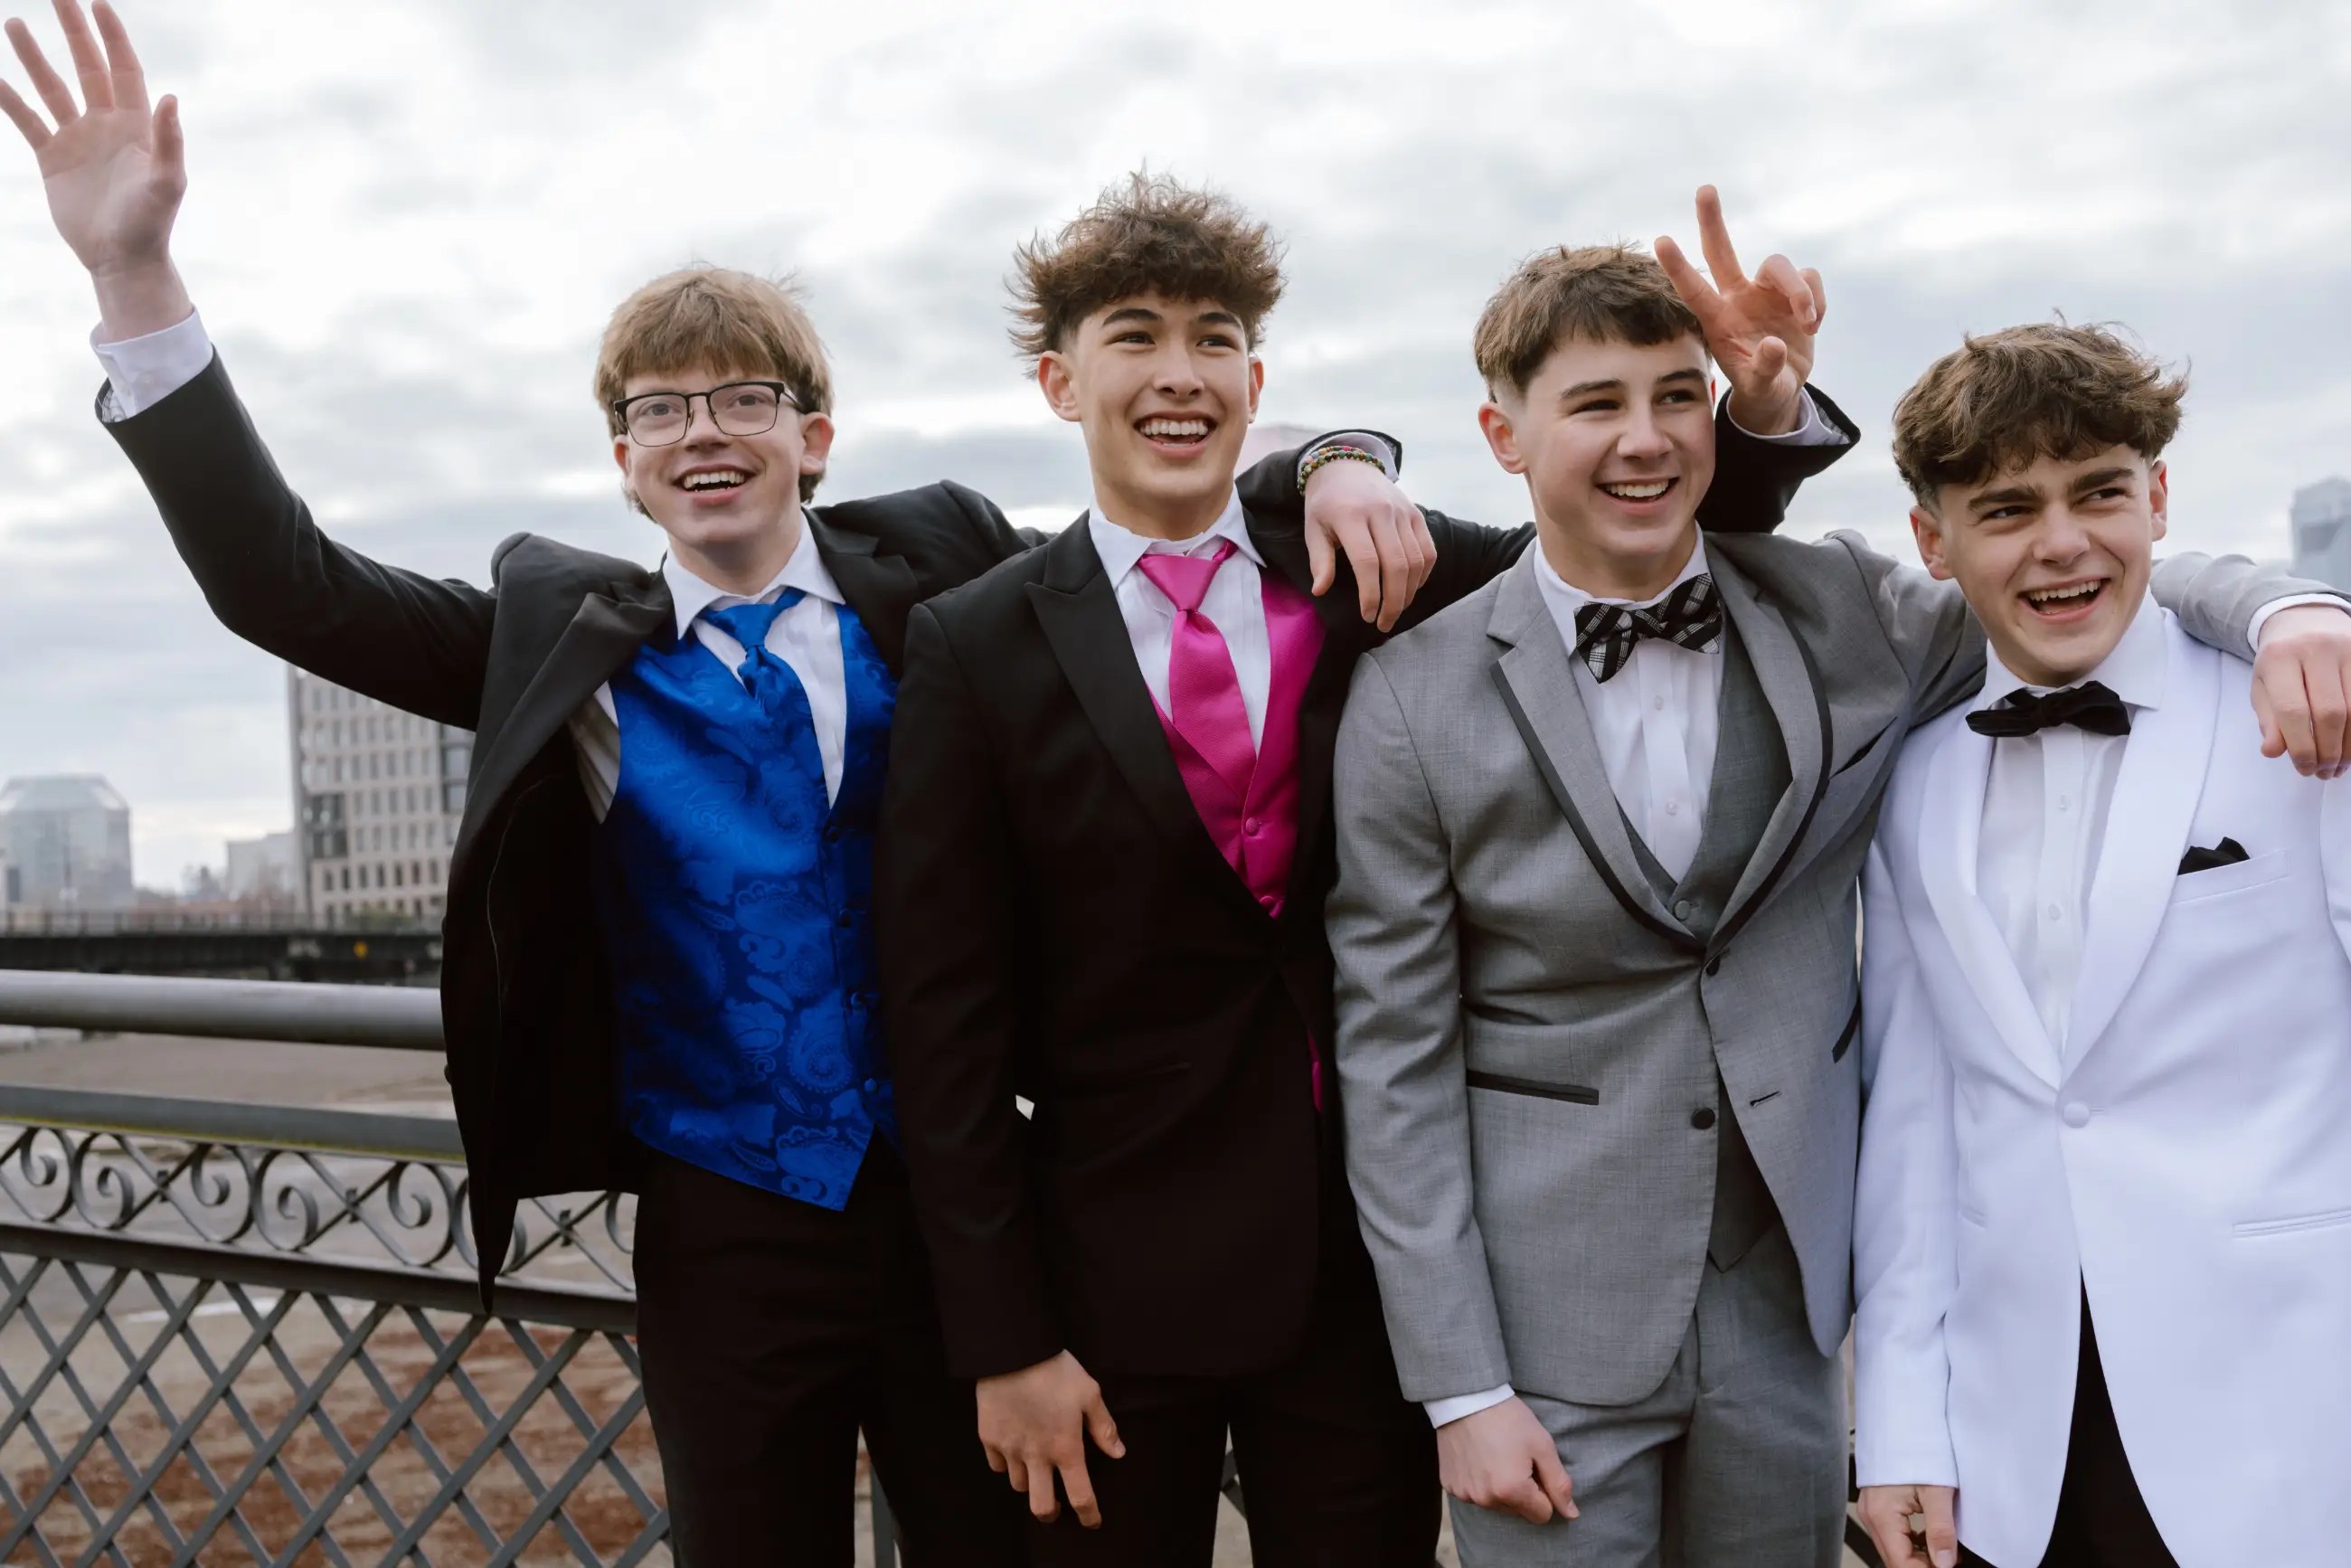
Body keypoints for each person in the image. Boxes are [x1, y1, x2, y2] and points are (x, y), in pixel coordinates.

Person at [0, 7, 1440, 1561]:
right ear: (622, 463)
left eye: (745, 398)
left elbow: (1166, 525)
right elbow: (291, 586)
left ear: (814, 435)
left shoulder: (951, 570)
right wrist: (134, 284)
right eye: (661, 410)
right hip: (727, 1224)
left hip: (979, 1218)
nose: (705, 432)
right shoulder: (568, 647)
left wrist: (1337, 450)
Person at [1321, 204, 2351, 1567]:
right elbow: (1393, 1057)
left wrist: (2292, 605)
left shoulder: (1846, 614)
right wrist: (1461, 1383)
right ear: (1503, 434)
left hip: (1794, 1326)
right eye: (1598, 403)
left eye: (1678, 397)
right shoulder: (1407, 695)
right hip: (1548, 1327)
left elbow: (2080, 564)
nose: (1646, 436)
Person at [873, 173, 1852, 1568]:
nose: (1178, 372)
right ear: (1057, 378)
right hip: (1105, 1286)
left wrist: (1755, 410)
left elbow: (1613, 539)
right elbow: (941, 1016)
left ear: (1255, 375)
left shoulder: (1364, 564)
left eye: (1214, 336)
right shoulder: (975, 643)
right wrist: (1006, 1334)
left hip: (1368, 1281)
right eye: (1134, 335)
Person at [1852, 324, 2351, 1568]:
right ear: (1934, 542)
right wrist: (1901, 1420)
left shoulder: (2298, 712)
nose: (2062, 541)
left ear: (2160, 497)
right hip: (2017, 1448)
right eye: (2008, 507)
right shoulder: (1913, 783)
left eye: (2099, 493)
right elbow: (1916, 1122)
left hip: (2291, 1411)